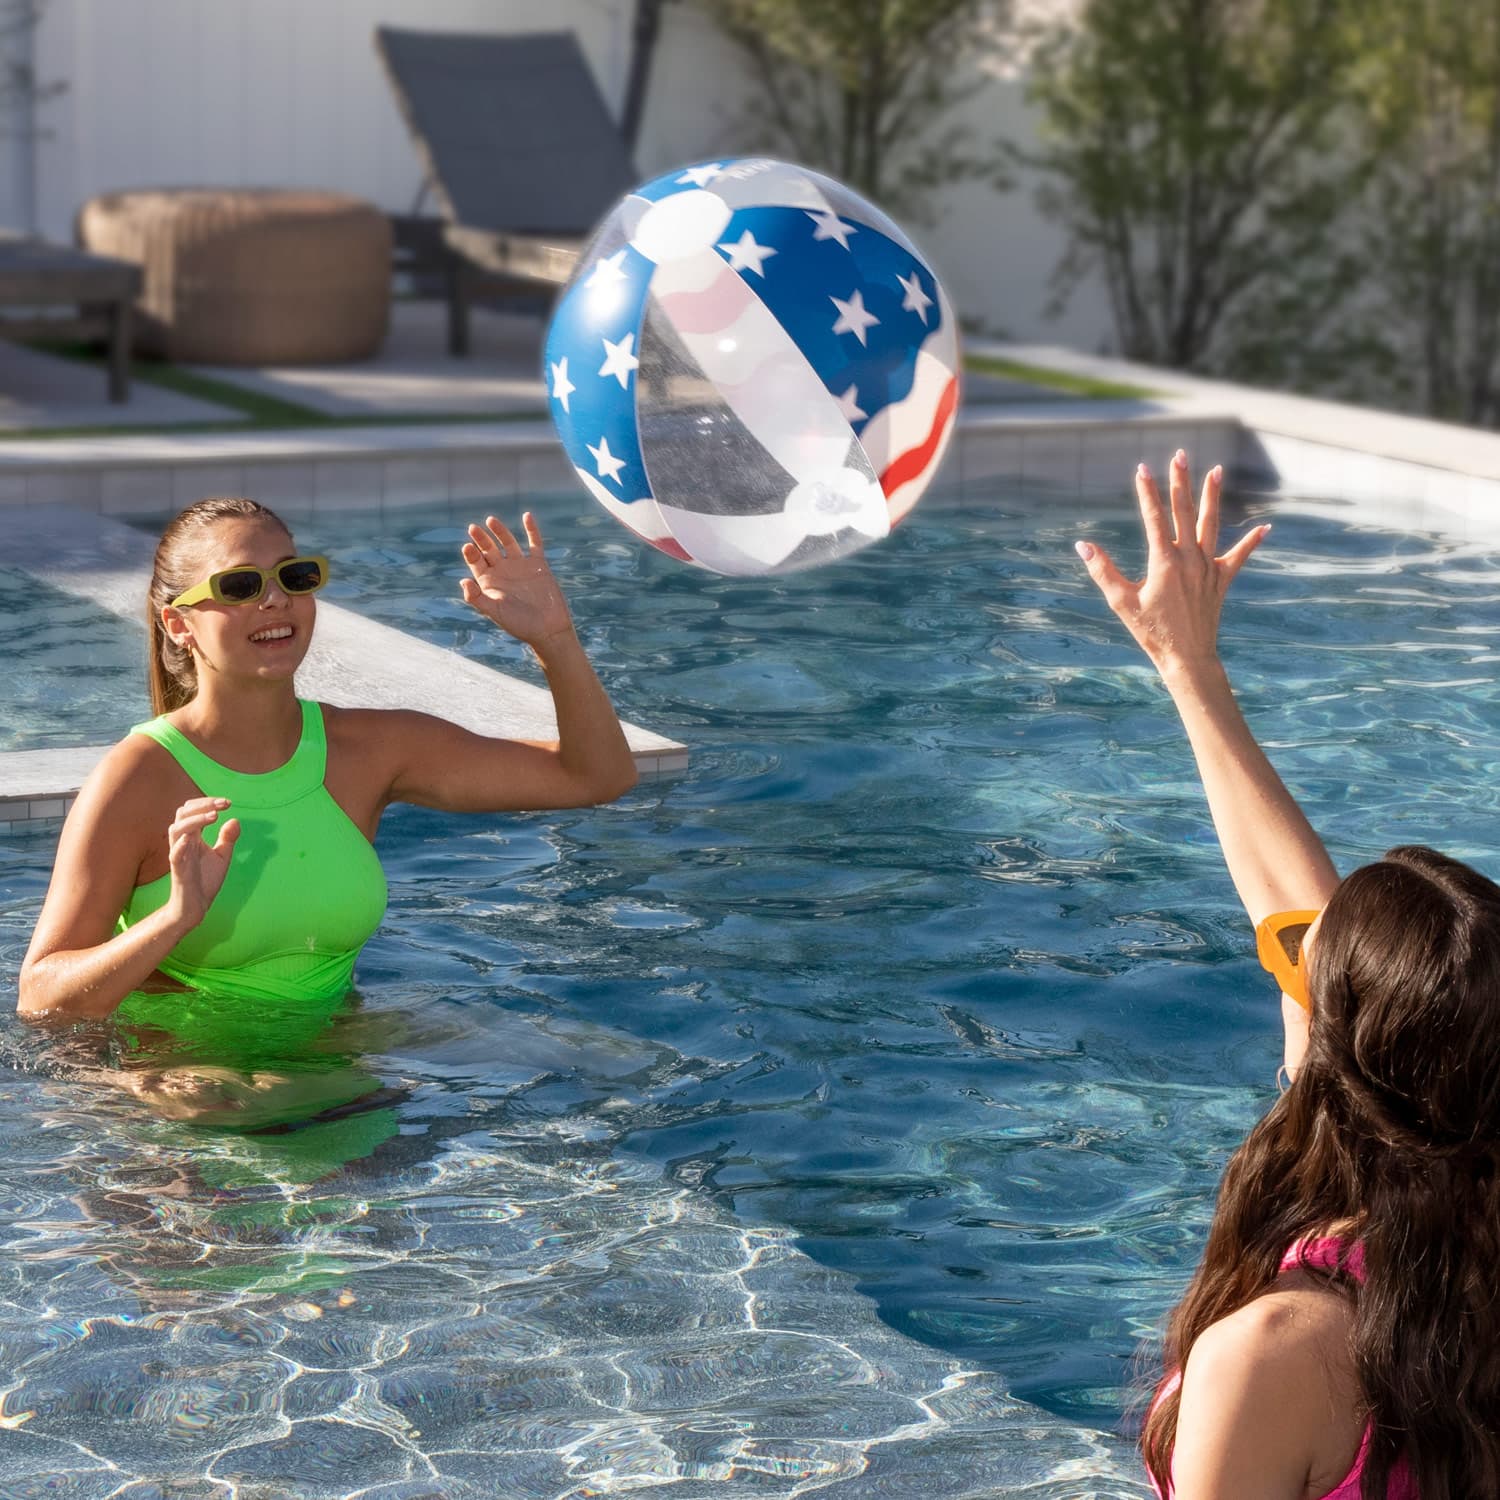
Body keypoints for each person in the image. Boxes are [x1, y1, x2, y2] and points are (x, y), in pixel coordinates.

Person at [1077, 451, 1500, 1499]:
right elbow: (1293, 915)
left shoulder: (1279, 1357)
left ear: (1343, 1051)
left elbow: (1299, 931)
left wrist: (1190, 665)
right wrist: (1190, 670)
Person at [17, 496, 638, 1127]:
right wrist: (173, 919)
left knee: (617, 1063)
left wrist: (553, 640)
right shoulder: (138, 777)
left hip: (325, 1047)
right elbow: (42, 999)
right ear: (179, 624)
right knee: (283, 1114)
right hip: (190, 1074)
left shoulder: (370, 750)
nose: (275, 600)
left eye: (295, 576)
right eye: (240, 585)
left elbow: (596, 776)